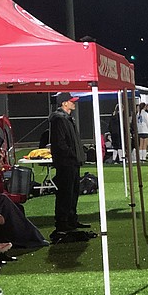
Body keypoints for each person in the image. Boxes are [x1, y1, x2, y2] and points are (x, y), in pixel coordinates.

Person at [49, 92, 90, 233]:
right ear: (64, 103)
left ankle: (71, 220)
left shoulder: (66, 118)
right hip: (66, 163)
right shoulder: (59, 119)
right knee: (65, 194)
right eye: (71, 101)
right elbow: (61, 144)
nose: (74, 103)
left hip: (72, 162)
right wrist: (72, 155)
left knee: (72, 193)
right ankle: (63, 222)